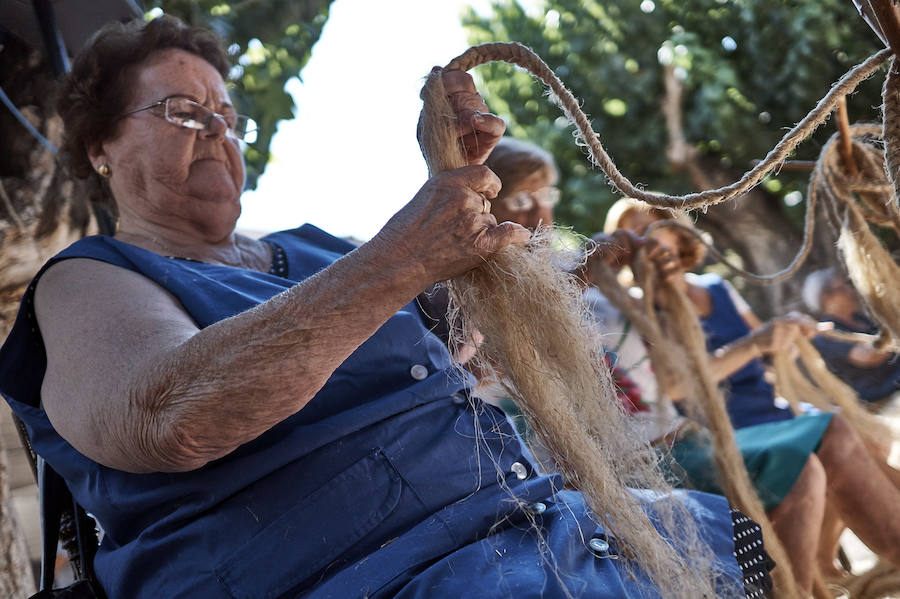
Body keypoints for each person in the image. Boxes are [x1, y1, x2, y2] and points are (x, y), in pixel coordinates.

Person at [0, 16, 766, 599]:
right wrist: (407, 251)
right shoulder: (89, 278)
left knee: (748, 538)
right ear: (99, 148)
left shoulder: (314, 249)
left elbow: (459, 332)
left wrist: (462, 190)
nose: (219, 134)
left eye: (228, 117)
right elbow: (171, 416)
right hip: (384, 576)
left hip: (534, 532)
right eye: (184, 112)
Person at [609, 198, 900, 578]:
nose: (644, 238)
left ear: (675, 232)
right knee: (834, 434)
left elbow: (764, 344)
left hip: (768, 407)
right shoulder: (637, 309)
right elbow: (678, 387)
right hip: (724, 428)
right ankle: (850, 561)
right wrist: (753, 345)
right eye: (632, 233)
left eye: (652, 226)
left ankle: (825, 561)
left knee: (869, 437)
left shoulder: (716, 288)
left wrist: (788, 331)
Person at [803, 267, 900, 402]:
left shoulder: (859, 318)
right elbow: (868, 356)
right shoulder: (825, 333)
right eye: (842, 289)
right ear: (827, 298)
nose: (849, 292)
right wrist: (893, 337)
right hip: (879, 390)